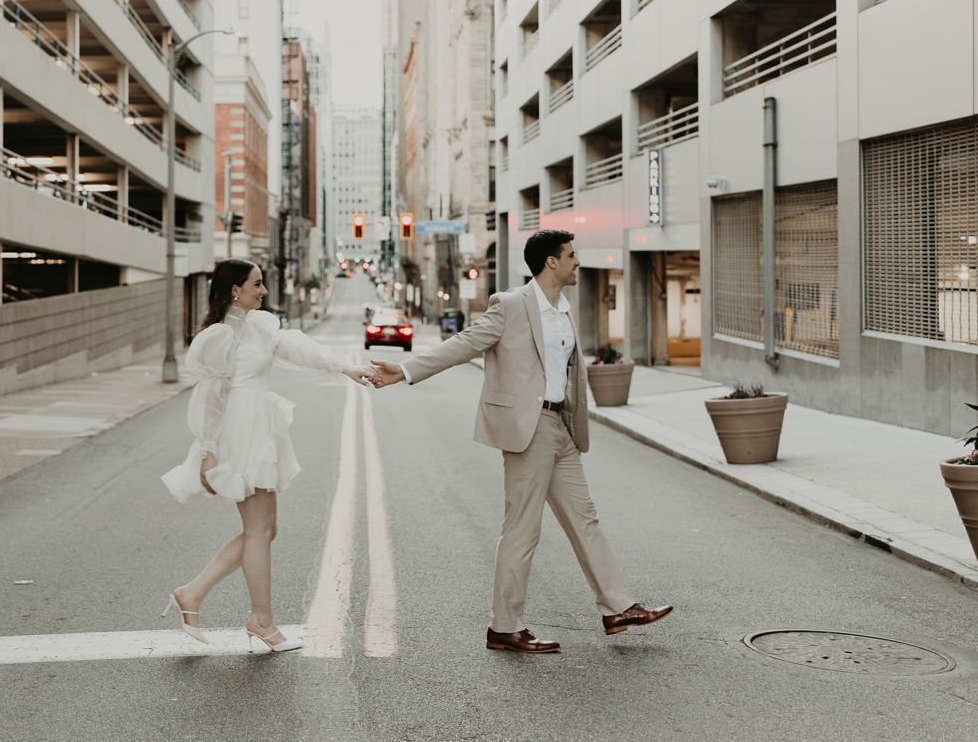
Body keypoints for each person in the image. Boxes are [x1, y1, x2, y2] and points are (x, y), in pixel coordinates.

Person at [370, 229, 672, 653]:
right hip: (528, 429)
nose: (577, 262)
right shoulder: (511, 305)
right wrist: (404, 370)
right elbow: (465, 344)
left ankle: (618, 607)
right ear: (552, 262)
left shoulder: (562, 309)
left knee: (585, 519)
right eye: (571, 255)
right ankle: (504, 626)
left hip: (559, 427)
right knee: (522, 530)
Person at [162, 258, 379, 653]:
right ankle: (260, 619)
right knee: (260, 531)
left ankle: (192, 595)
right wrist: (208, 452)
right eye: (257, 284)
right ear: (234, 289)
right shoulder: (218, 337)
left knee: (263, 530)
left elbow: (299, 350)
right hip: (241, 430)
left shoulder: (260, 325)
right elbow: (210, 397)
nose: (263, 291)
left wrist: (346, 368)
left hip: (259, 424)